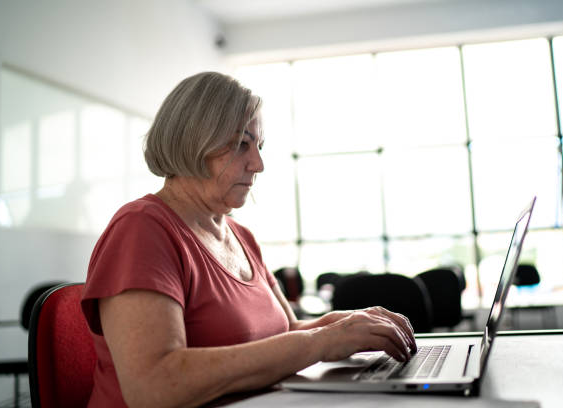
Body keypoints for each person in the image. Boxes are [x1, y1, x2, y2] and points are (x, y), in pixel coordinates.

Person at [81, 71, 416, 408]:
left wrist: (348, 324)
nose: (258, 163)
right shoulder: (142, 228)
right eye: (241, 144)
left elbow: (286, 332)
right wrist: (320, 341)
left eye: (258, 145)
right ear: (194, 142)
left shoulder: (241, 237)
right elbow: (155, 386)